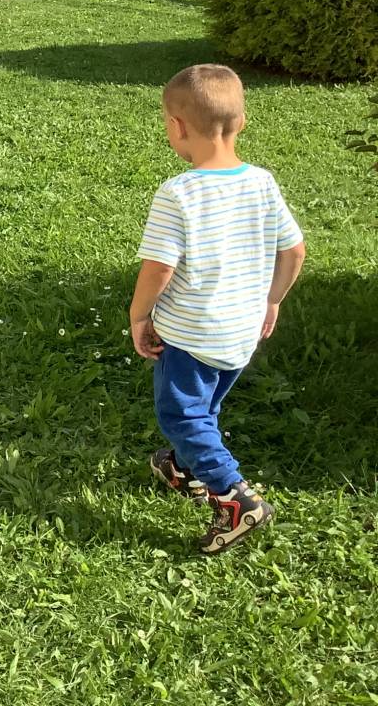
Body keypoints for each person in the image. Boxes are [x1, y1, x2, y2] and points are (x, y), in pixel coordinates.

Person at [132, 64, 306, 556]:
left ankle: (234, 497)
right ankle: (185, 468)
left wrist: (140, 316)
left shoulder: (178, 193)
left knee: (182, 414)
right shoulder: (262, 183)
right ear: (241, 122)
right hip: (240, 332)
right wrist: (272, 299)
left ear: (176, 127)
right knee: (205, 405)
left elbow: (159, 268)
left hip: (191, 334)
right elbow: (294, 251)